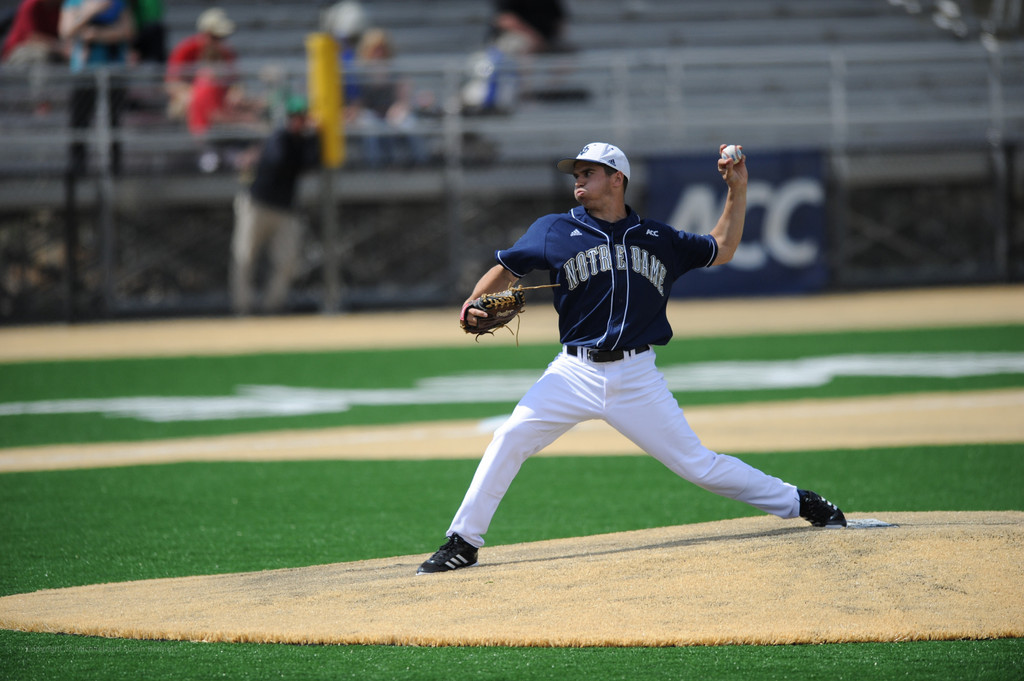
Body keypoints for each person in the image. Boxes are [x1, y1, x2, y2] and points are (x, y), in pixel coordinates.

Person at [417, 142, 847, 575]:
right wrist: (474, 301)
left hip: (637, 376)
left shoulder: (657, 238)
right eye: (576, 173)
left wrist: (737, 188)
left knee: (698, 465)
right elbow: (506, 266)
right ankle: (463, 542)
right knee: (509, 438)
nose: (579, 179)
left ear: (617, 179)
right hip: (572, 372)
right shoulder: (553, 229)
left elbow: (723, 246)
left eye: (589, 172)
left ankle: (800, 501)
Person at [230, 95, 320, 315]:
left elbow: (312, 163)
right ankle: (243, 307)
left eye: (301, 117)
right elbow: (282, 161)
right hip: (257, 205)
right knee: (244, 256)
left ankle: (273, 305)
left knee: (287, 260)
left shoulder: (303, 141)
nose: (297, 121)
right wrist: (306, 138)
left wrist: (316, 136)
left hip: (284, 209)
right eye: (294, 117)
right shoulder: (278, 138)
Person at [59, 0, 136, 175]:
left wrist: (98, 35)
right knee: (79, 121)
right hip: (84, 71)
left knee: (113, 121)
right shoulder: (74, 3)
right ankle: (78, 168)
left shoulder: (118, 3)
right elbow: (66, 31)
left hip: (114, 70)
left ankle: (115, 169)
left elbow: (128, 31)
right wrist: (90, 12)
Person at [165, 6, 236, 120]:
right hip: (191, 102)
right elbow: (171, 84)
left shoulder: (226, 53)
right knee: (182, 106)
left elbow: (233, 84)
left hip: (218, 103)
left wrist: (234, 93)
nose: (219, 42)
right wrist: (195, 96)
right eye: (215, 37)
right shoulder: (186, 49)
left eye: (222, 38)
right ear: (205, 34)